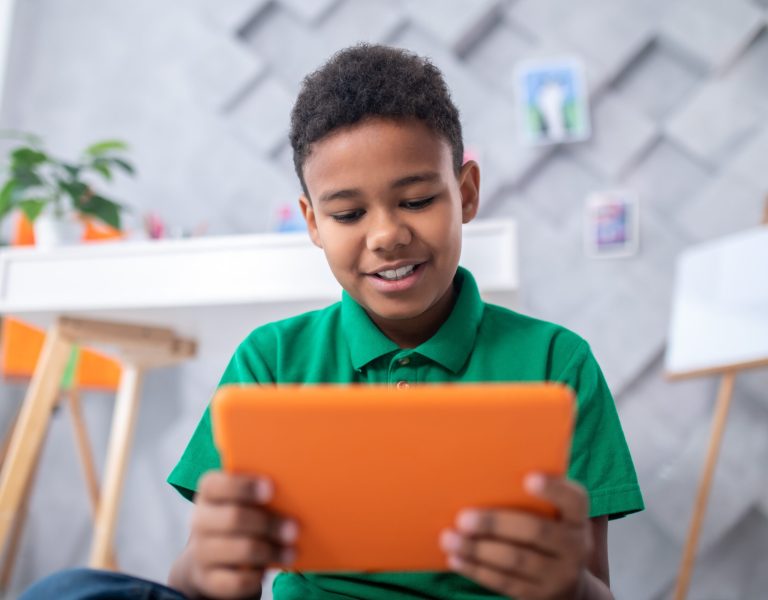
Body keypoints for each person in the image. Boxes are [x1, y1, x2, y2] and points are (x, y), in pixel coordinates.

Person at [22, 44, 643, 600]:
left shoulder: (557, 363)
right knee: (67, 591)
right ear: (313, 222)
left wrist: (567, 588)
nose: (387, 235)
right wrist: (203, 575)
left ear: (467, 192)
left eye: (419, 201)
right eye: (347, 214)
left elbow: (593, 589)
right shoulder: (271, 361)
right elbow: (202, 574)